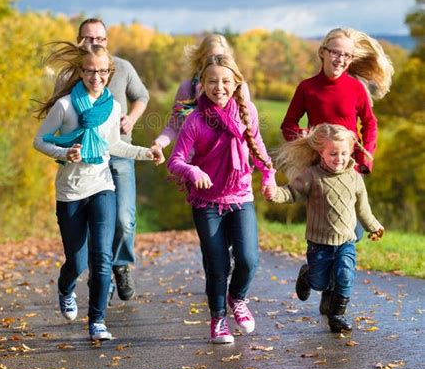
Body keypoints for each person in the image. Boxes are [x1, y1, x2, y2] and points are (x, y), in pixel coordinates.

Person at [34, 42, 164, 341]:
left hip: (102, 185)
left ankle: (97, 320)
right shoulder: (65, 106)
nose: (97, 77)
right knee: (77, 263)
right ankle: (66, 287)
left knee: (102, 256)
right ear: (81, 71)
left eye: (103, 71)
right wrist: (64, 152)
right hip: (70, 192)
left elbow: (113, 146)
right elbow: (40, 140)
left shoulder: (112, 106)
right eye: (91, 71)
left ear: (110, 72)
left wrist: (147, 153)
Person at [280, 27, 393, 312]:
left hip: (349, 167)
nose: (341, 59)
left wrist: (366, 158)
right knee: (336, 230)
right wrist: (305, 138)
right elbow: (288, 124)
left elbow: (370, 123)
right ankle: (317, 277)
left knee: (353, 233)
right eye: (335, 53)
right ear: (323, 53)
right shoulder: (307, 88)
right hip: (319, 169)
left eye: (347, 55)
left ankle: (333, 287)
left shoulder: (356, 88)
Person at [167, 54, 275, 344]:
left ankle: (237, 298)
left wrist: (268, 175)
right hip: (207, 203)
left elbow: (257, 145)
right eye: (212, 81)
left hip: (240, 195)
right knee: (217, 265)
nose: (219, 87)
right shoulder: (195, 120)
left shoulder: (246, 110)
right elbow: (175, 161)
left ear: (237, 82)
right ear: (202, 84)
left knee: (248, 260)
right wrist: (192, 170)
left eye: (226, 80)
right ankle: (218, 319)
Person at [264, 123, 384, 333]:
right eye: (333, 153)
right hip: (319, 244)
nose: (339, 158)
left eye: (344, 153)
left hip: (346, 241)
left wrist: (374, 226)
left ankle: (337, 316)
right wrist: (274, 193)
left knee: (345, 274)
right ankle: (306, 275)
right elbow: (291, 192)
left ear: (350, 152)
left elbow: (363, 210)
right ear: (321, 152)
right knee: (319, 282)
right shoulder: (312, 176)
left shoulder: (355, 178)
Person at [76, 19, 150, 303]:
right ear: (78, 40)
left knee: (123, 218)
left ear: (107, 41)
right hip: (86, 159)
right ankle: (101, 277)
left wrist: (131, 118)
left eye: (100, 38)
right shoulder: (73, 72)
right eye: (88, 38)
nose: (95, 42)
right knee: (96, 222)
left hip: (119, 152)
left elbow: (141, 96)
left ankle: (120, 264)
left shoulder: (122, 67)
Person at [153, 33, 250, 151]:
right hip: (193, 161)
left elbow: (247, 127)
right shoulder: (187, 88)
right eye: (211, 57)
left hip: (229, 161)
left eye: (221, 57)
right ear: (201, 58)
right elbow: (174, 125)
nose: (216, 61)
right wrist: (159, 143)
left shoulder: (240, 88)